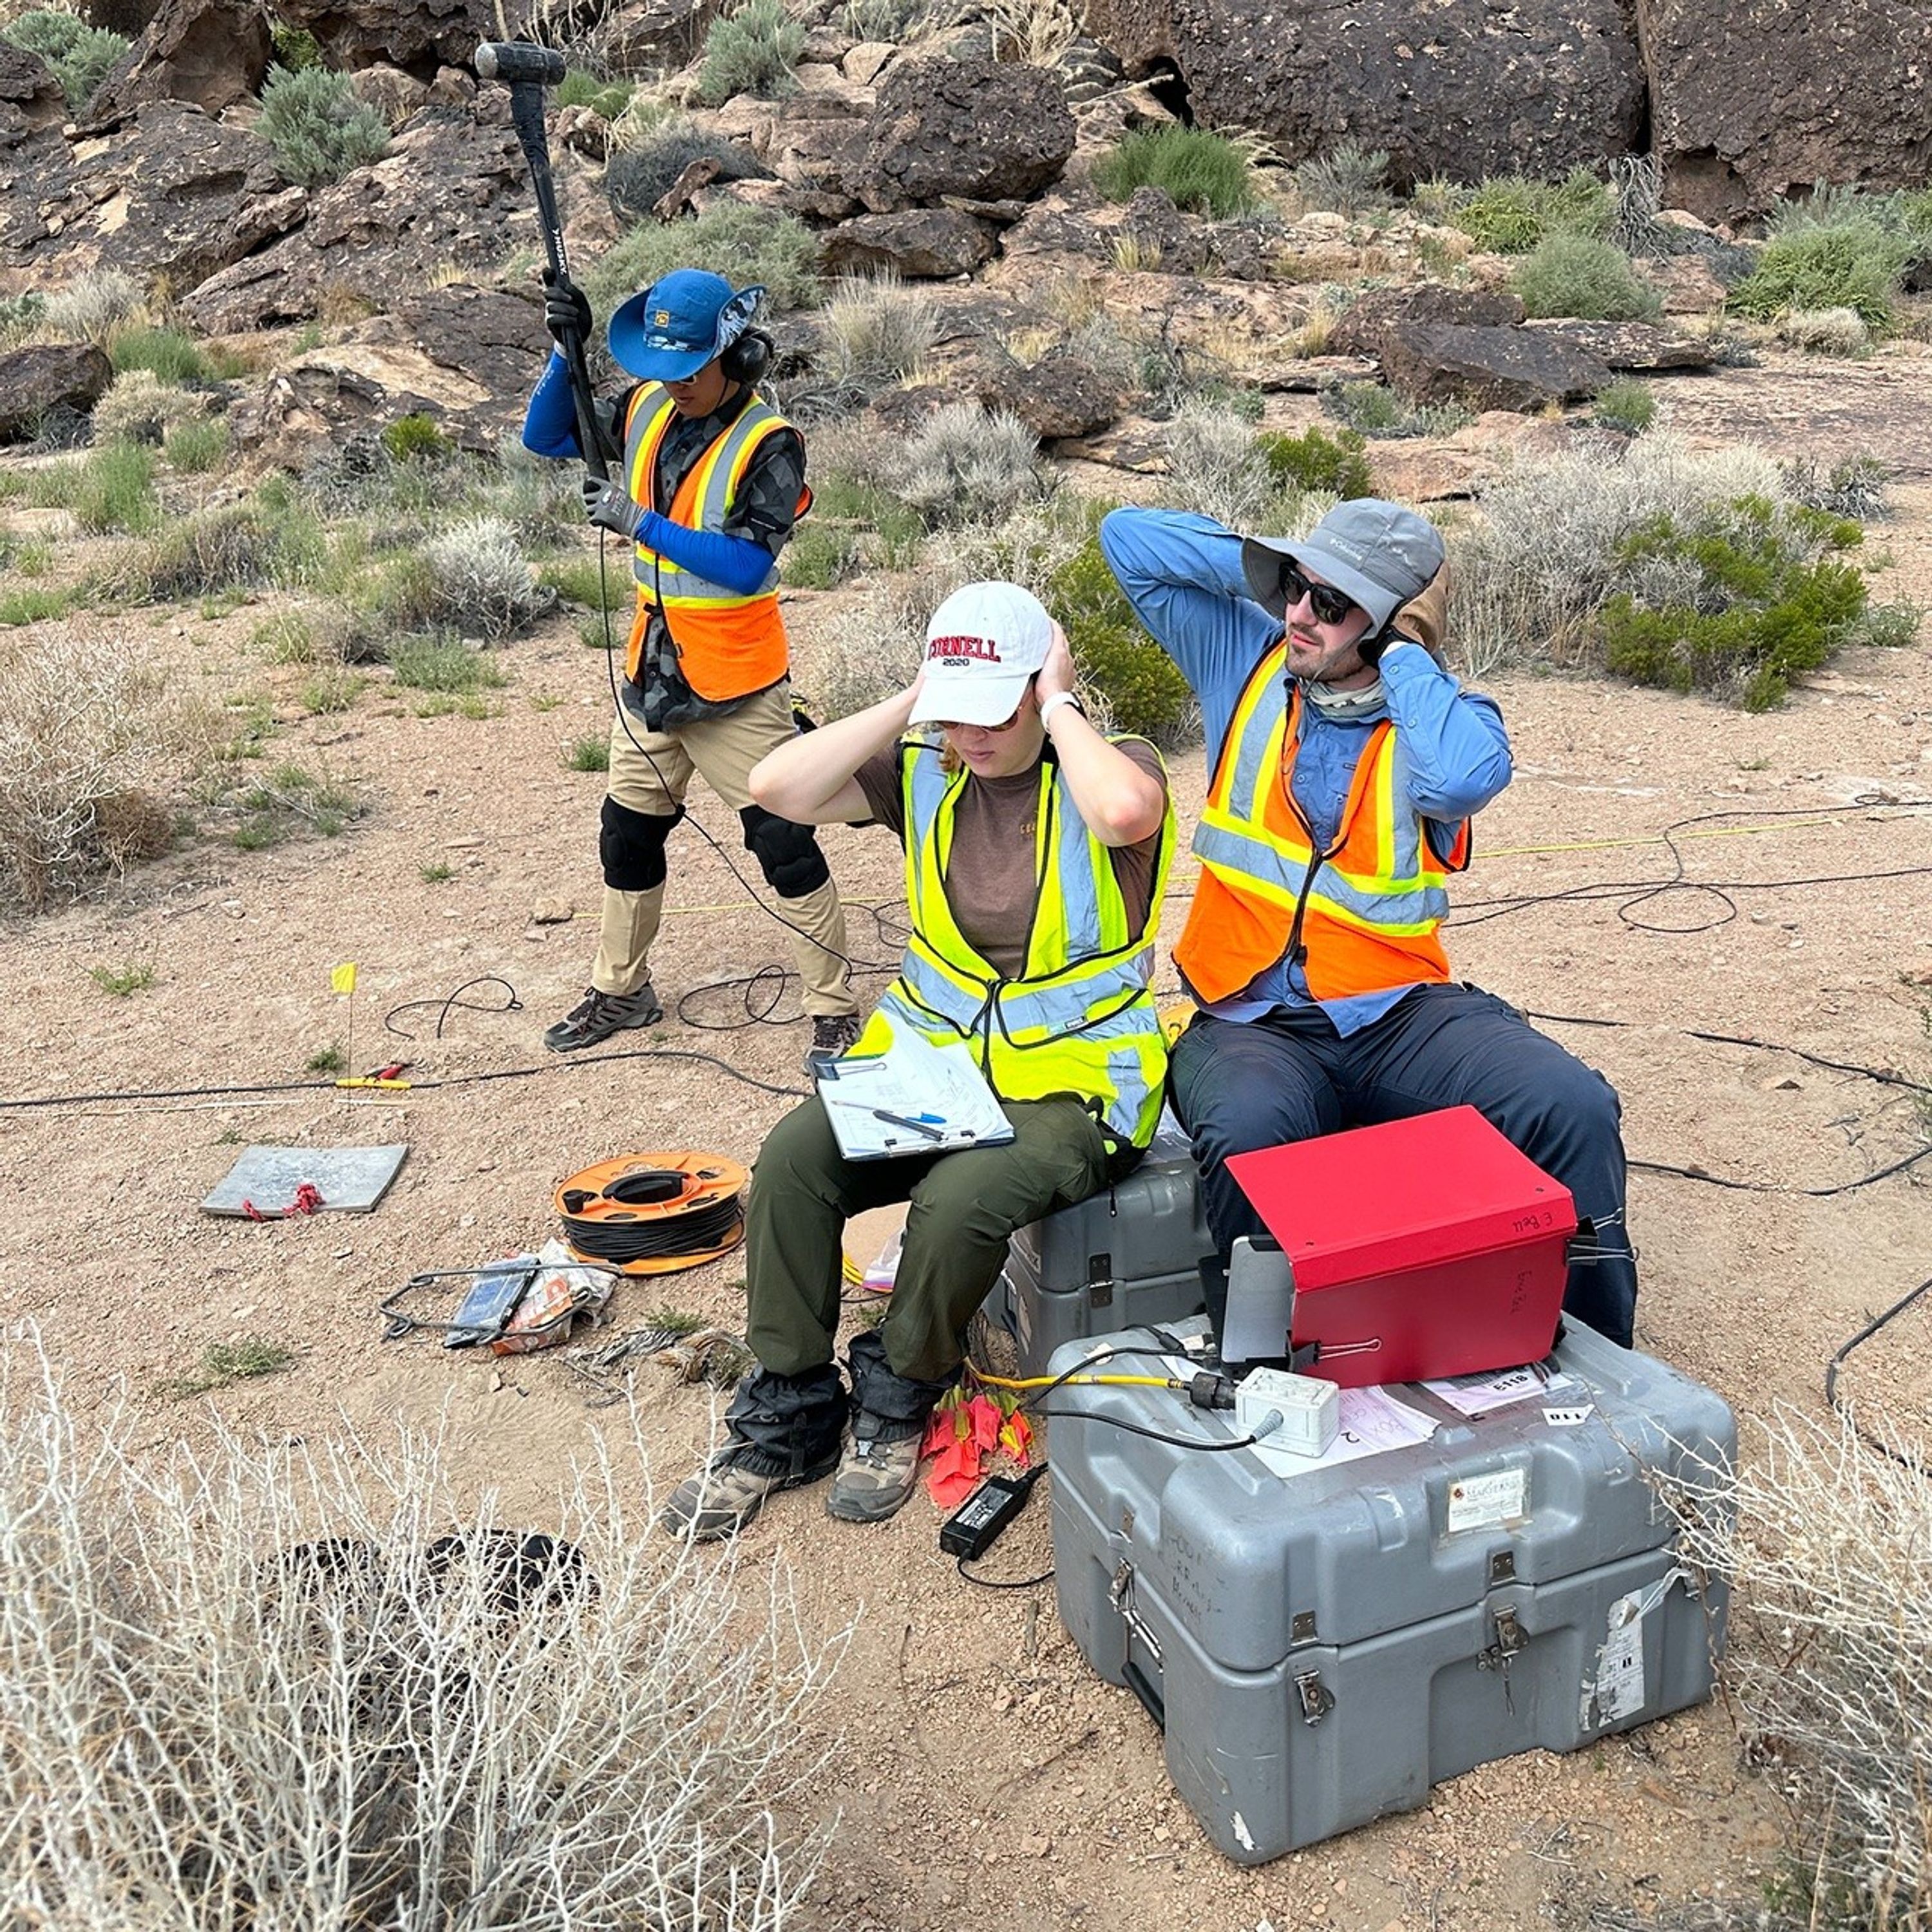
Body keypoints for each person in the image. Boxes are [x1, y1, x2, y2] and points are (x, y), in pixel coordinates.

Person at [661, 582, 1175, 1539]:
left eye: (994, 712)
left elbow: (1122, 815)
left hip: (1075, 1087)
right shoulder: (927, 764)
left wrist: (1060, 703)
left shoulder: (1107, 765)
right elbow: (775, 787)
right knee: (791, 1166)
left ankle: (900, 1391)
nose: (972, 737)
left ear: (1037, 690)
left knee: (959, 1203)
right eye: (957, 713)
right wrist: (918, 698)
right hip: (936, 1066)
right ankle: (793, 1403)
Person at [1098, 500, 1638, 1350]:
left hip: (1400, 1015)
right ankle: (1263, 1363)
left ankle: (1598, 1361)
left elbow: (1460, 780)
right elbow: (1127, 540)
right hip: (1250, 1018)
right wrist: (1276, 564)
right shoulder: (1247, 659)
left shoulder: (1443, 718)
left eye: (1334, 603)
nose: (1300, 615)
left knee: (1568, 1106)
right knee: (1251, 1133)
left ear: (1387, 627)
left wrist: (1409, 654)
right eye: (1296, 590)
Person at [521, 266, 862, 1059]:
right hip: (652, 677)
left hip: (738, 685)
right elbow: (544, 436)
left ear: (736, 361)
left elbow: (746, 567)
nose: (675, 387)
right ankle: (620, 991)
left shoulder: (771, 444)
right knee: (626, 837)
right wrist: (561, 356)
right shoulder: (645, 403)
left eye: (692, 371)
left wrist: (639, 522)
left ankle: (833, 1004)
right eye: (664, 369)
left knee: (783, 844)